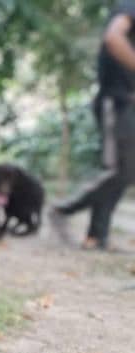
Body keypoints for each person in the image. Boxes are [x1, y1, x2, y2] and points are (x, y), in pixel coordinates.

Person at [50, 2, 135, 251]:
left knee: (126, 170)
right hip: (115, 103)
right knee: (116, 170)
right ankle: (63, 209)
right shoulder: (131, 6)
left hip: (126, 103)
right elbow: (113, 38)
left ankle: (97, 237)